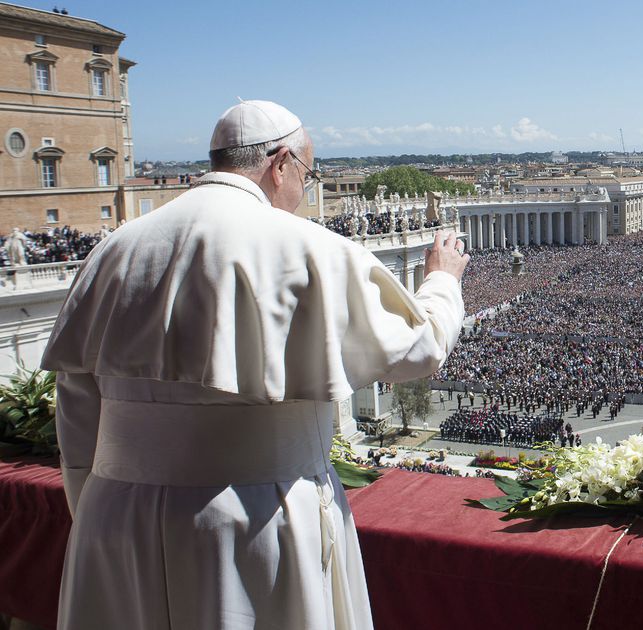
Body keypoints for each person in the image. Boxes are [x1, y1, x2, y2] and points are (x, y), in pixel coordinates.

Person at [42, 100, 469, 630]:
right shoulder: (311, 247)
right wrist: (443, 279)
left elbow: (77, 407)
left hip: (115, 519)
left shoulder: (113, 250)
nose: (303, 190)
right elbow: (419, 348)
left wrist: (99, 506)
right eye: (308, 175)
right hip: (254, 519)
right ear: (281, 162)